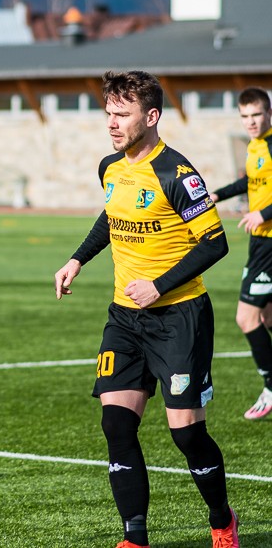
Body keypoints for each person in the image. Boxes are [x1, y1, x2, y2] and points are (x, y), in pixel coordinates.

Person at [54, 70, 238, 548]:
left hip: (179, 318)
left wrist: (159, 285)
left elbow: (214, 244)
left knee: (187, 436)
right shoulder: (109, 167)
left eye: (122, 114)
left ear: (152, 116)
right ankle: (134, 537)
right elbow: (113, 215)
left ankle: (222, 520)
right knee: (116, 423)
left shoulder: (177, 173)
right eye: (108, 113)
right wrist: (77, 259)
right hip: (124, 318)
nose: (111, 123)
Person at [209, 87, 272, 420]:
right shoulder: (254, 146)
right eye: (245, 116)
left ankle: (271, 386)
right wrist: (217, 195)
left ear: (269, 113)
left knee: (246, 318)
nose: (251, 121)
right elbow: (250, 182)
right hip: (260, 242)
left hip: (270, 243)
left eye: (256, 114)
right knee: (268, 318)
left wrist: (263, 213)